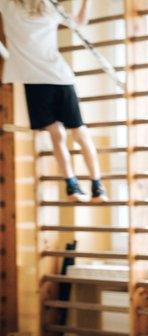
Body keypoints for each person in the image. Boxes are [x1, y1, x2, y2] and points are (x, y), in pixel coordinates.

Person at [0, 0, 106, 202]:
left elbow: (79, 22)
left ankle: (88, 184)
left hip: (51, 79)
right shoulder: (18, 5)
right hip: (46, 80)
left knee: (70, 134)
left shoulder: (45, 7)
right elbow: (81, 21)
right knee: (65, 134)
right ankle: (82, 184)